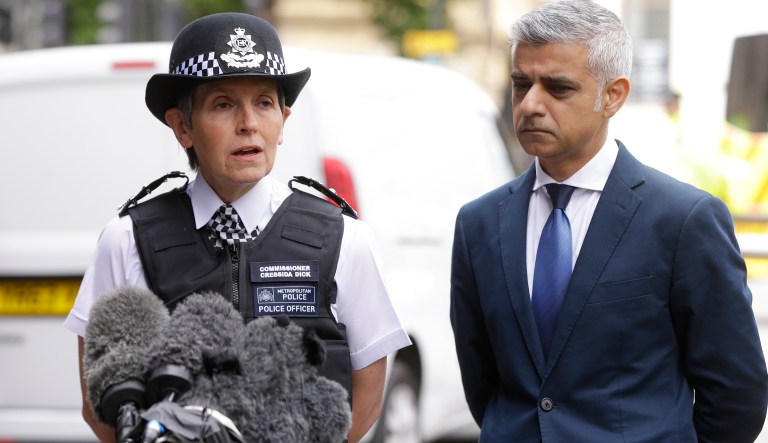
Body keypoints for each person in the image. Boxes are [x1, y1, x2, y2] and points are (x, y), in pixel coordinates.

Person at [64, 12, 411, 443]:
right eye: (224, 104)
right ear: (182, 126)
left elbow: (367, 400)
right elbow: (97, 405)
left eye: (264, 103)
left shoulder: (343, 239)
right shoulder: (127, 240)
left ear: (284, 119)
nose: (248, 123)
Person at [449, 1, 768, 441]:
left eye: (558, 88)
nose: (531, 104)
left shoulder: (683, 220)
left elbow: (737, 392)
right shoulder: (478, 224)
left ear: (613, 95)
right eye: (522, 84)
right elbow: (483, 380)